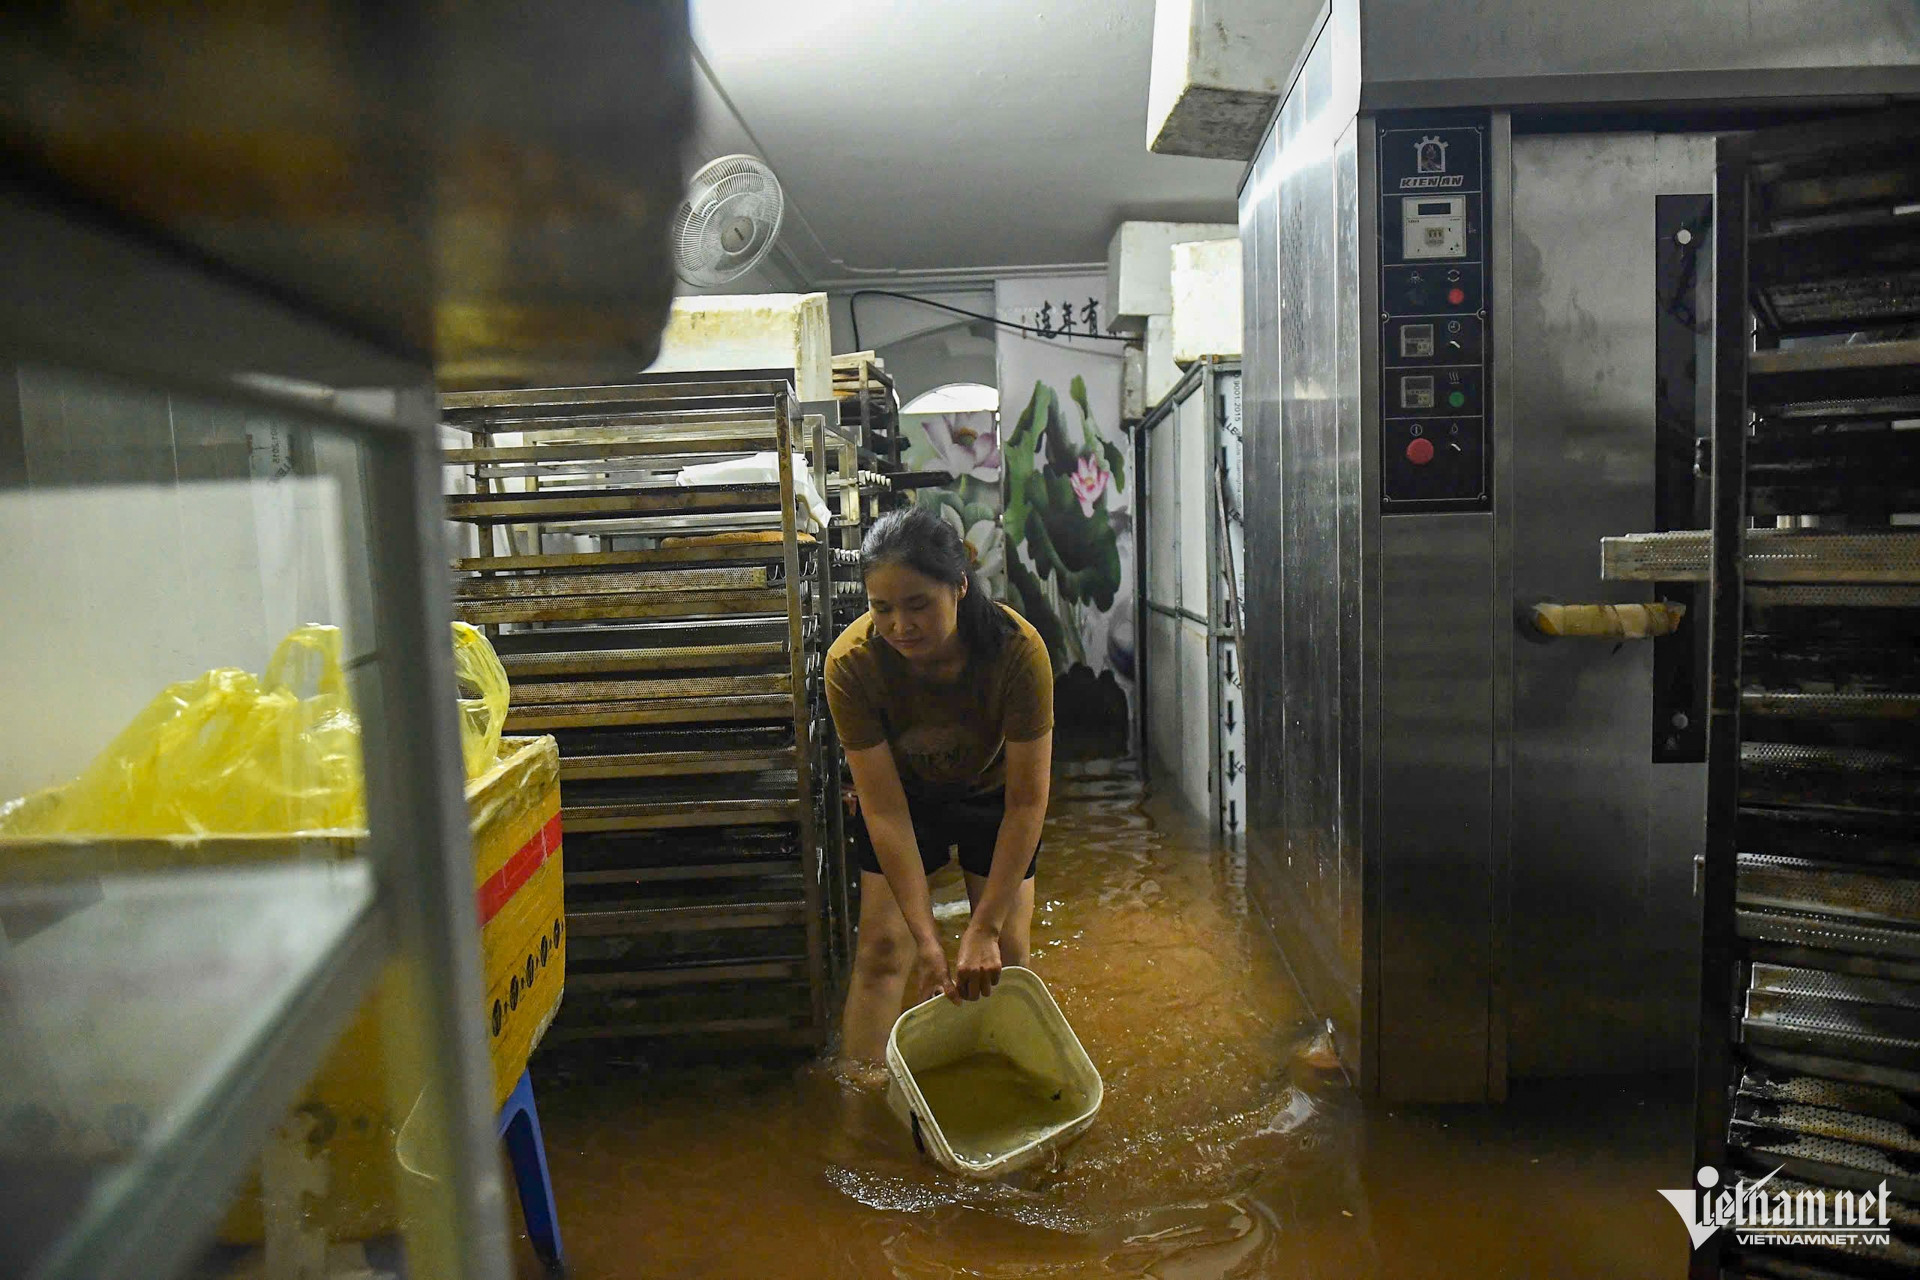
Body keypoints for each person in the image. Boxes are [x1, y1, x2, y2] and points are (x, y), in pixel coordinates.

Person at [825, 506, 1055, 1066]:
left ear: (959, 587)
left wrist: (985, 926)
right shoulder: (851, 665)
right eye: (882, 608)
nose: (900, 626)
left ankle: (1010, 1080)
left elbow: (1027, 800)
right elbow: (883, 810)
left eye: (918, 604)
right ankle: (863, 1102)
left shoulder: (1017, 650)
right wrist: (929, 943)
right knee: (884, 952)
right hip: (905, 799)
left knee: (1007, 955)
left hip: (993, 792)